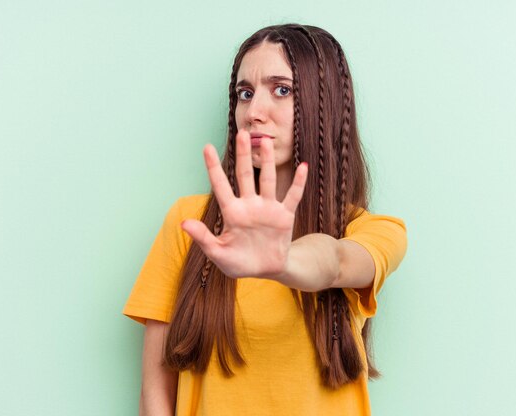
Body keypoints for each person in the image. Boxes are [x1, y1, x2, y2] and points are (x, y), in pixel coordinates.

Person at [123, 23, 408, 416]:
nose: (254, 112)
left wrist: (282, 262)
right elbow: (155, 392)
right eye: (244, 93)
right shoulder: (190, 224)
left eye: (282, 90)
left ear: (324, 103)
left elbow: (337, 262)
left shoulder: (374, 231)